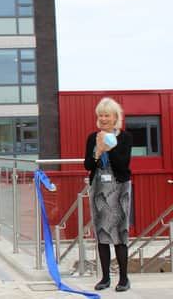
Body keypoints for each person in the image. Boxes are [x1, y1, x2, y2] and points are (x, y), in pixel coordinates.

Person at [84, 97, 133, 292]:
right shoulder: (92, 138)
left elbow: (123, 164)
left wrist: (107, 148)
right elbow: (88, 165)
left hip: (119, 188)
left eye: (107, 115)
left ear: (115, 117)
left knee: (120, 233)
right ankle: (105, 278)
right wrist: (97, 153)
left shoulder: (125, 138)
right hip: (98, 189)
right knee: (102, 233)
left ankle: (124, 279)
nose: (103, 119)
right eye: (100, 115)